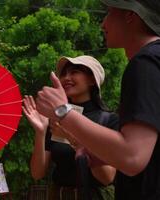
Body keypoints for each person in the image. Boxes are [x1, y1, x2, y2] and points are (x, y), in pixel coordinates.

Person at [35, 0, 160, 199]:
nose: (103, 24)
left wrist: (62, 111)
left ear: (131, 16)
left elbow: (133, 157)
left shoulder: (145, 63)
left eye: (109, 13)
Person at [24, 55, 118, 200]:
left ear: (92, 80)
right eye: (64, 74)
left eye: (74, 72)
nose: (66, 78)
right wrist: (40, 132)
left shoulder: (108, 120)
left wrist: (71, 137)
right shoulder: (57, 119)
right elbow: (37, 173)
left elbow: (106, 177)